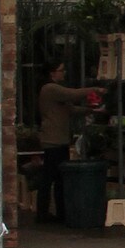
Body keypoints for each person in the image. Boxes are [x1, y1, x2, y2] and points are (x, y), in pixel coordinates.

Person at [34, 60, 96, 223]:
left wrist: (91, 110)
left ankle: (60, 212)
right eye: (61, 70)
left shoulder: (55, 92)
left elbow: (70, 109)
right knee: (51, 178)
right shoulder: (50, 89)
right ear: (52, 73)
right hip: (53, 140)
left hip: (59, 139)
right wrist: (93, 89)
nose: (64, 73)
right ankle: (44, 213)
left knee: (59, 178)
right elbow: (72, 94)